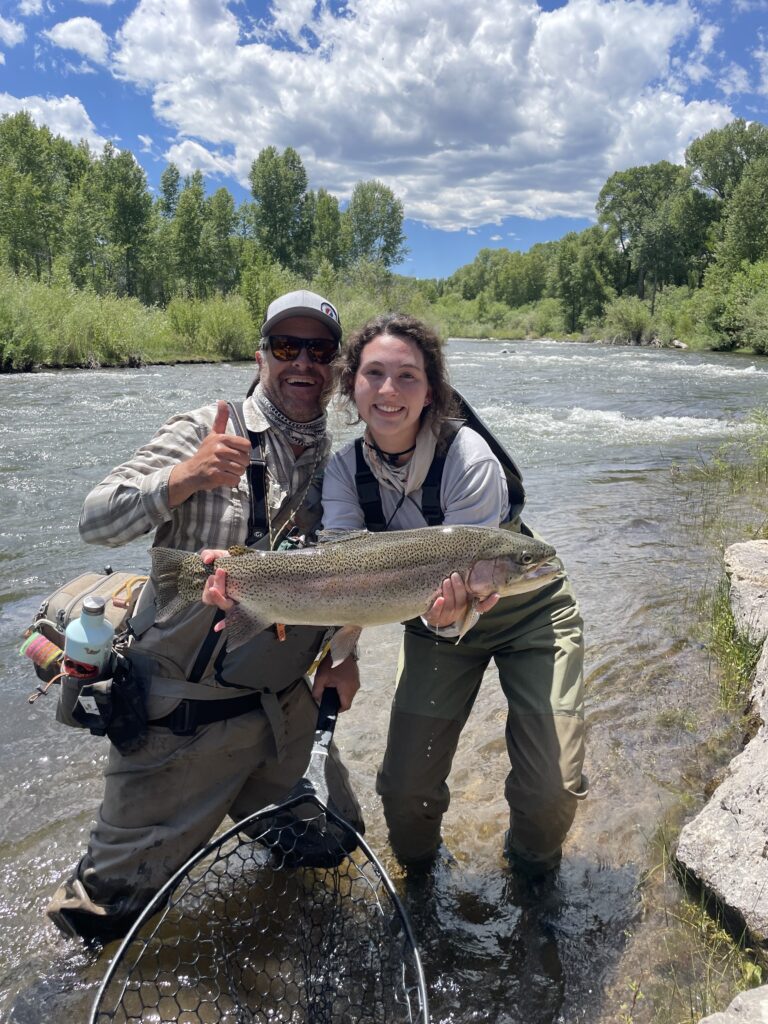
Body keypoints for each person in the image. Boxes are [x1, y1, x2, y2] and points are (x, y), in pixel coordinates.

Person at [46, 290, 364, 942]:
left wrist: (344, 656)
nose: (302, 361)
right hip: (179, 726)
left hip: (280, 714)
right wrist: (182, 480)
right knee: (101, 922)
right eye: (285, 346)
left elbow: (347, 586)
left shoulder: (338, 466)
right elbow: (94, 517)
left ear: (335, 367)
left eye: (319, 349)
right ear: (260, 356)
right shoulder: (204, 428)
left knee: (333, 844)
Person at [320, 312, 587, 877]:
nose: (389, 391)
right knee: (404, 792)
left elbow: (476, 577)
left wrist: (447, 612)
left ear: (432, 391)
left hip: (527, 610)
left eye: (408, 376)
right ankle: (420, 879)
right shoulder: (343, 471)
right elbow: (346, 579)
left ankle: (533, 878)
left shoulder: (468, 457)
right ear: (351, 386)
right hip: (435, 621)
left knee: (552, 788)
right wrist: (339, 653)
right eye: (374, 374)